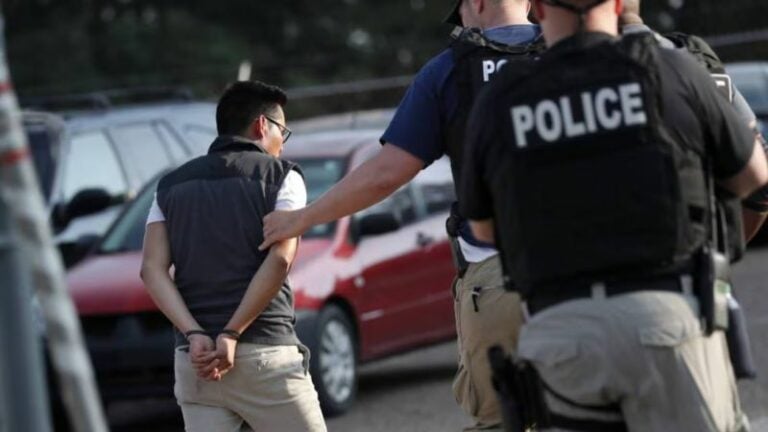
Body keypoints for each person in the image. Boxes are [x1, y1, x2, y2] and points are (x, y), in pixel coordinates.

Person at [460, 0, 768, 430]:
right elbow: (753, 177)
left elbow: (482, 227)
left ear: (540, 11)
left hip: (562, 333)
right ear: (620, 5)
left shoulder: (502, 98)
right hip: (666, 319)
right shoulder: (670, 69)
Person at [260, 1, 541, 429]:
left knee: (503, 421)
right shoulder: (580, 55)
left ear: (477, 4)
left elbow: (386, 173)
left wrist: (302, 218)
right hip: (589, 272)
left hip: (497, 278)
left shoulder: (449, 70)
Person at [140, 81, 326, 432]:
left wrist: (194, 333)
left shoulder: (169, 185)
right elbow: (280, 260)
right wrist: (231, 333)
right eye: (282, 131)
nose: (282, 143)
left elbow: (152, 270)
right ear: (261, 126)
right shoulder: (283, 177)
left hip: (195, 361)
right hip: (265, 353)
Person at [621, 0, 768, 248]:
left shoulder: (565, 77)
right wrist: (715, 253)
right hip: (693, 269)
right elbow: (760, 186)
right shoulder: (692, 61)